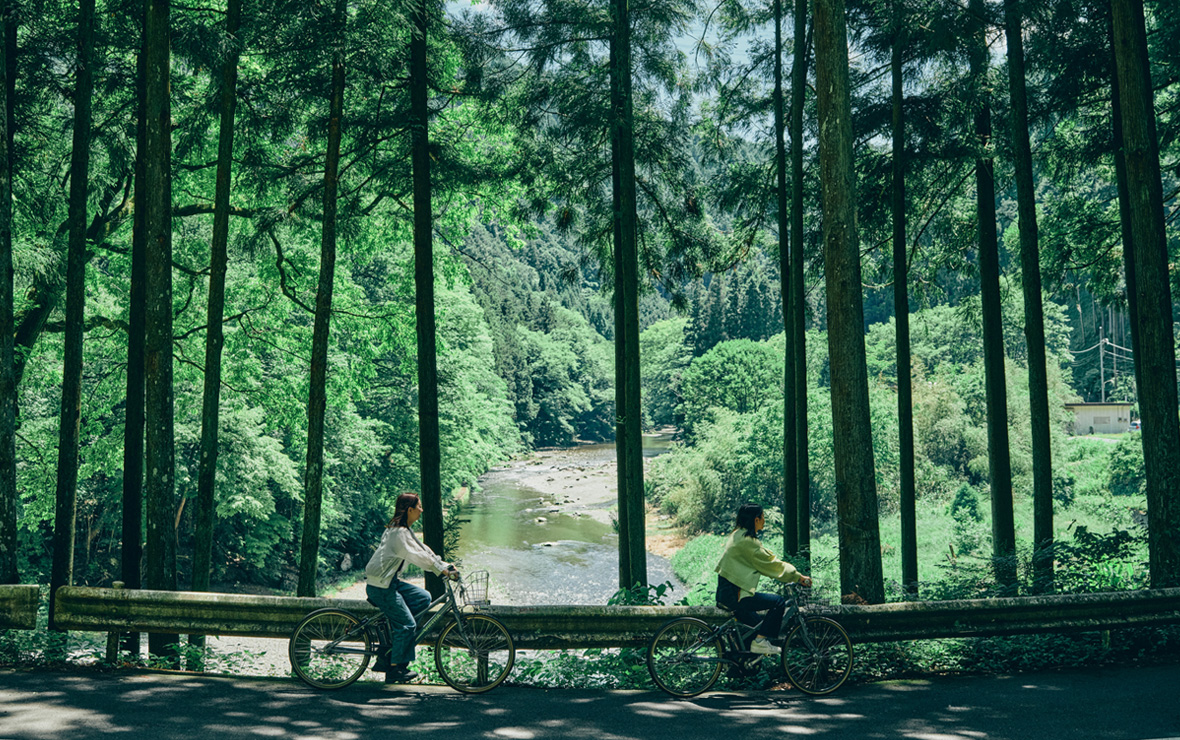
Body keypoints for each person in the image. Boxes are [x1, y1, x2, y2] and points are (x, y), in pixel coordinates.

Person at [365, 492, 457, 683]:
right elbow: (418, 557)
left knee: (423, 597)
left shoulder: (402, 530)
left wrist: (444, 565)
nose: (421, 510)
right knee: (407, 625)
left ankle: (394, 642)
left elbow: (422, 549)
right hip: (381, 587)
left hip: (388, 581)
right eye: (419, 507)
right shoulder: (399, 533)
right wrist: (441, 570)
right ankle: (394, 668)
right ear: (410, 509)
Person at [714, 502, 812, 655]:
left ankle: (739, 666)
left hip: (727, 593)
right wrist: (798, 577)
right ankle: (760, 642)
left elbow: (764, 555)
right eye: (763, 517)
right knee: (778, 602)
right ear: (756, 519)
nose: (764, 520)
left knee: (756, 627)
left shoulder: (738, 534)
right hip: (736, 596)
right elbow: (772, 564)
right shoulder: (748, 542)